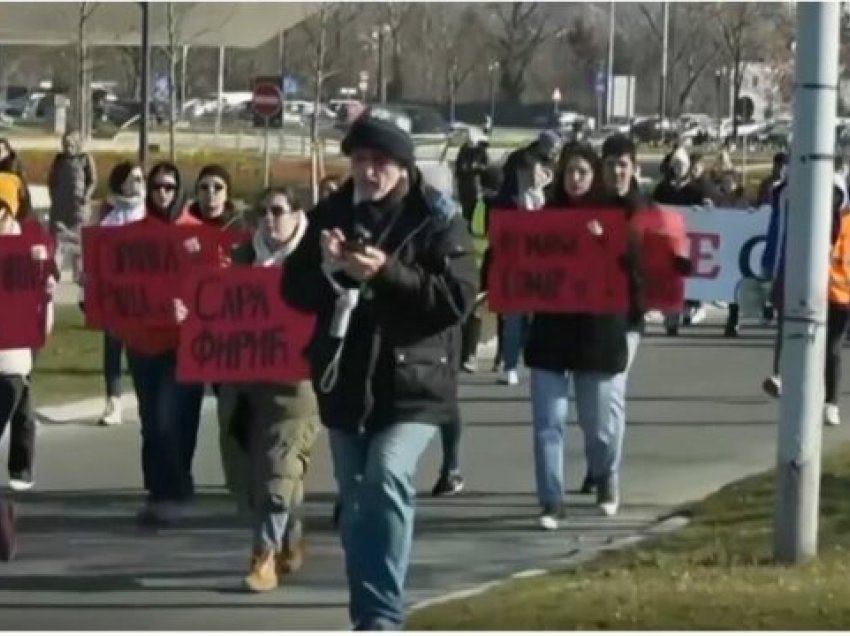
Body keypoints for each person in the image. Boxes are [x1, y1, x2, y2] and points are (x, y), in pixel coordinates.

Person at [281, 112, 477, 630]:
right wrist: (326, 270)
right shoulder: (330, 214)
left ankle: (383, 616)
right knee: (356, 501)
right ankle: (366, 612)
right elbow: (292, 291)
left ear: (404, 167)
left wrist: (386, 272)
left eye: (381, 163)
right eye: (361, 161)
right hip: (347, 381)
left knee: (388, 474)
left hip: (414, 381)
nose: (369, 173)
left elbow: (456, 298)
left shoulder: (435, 219)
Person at [188, 187, 321, 592]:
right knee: (247, 476)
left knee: (278, 473)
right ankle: (291, 531)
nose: (268, 219)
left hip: (296, 389)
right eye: (261, 211)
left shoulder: (315, 260)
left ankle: (262, 557)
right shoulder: (240, 259)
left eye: (277, 210)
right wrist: (190, 313)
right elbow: (215, 309)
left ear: (297, 214)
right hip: (245, 387)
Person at [525, 142, 638, 528]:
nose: (575, 180)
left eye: (583, 173)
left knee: (599, 426)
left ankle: (606, 477)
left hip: (597, 335)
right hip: (552, 334)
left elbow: (633, 269)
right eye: (569, 172)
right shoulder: (546, 214)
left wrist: (604, 241)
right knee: (548, 423)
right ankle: (551, 500)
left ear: (594, 177)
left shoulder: (613, 215)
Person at [109, 161, 206, 526]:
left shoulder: (196, 233)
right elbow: (116, 280)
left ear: (180, 190)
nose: (162, 193)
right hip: (143, 342)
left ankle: (170, 492)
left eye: (169, 187)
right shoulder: (136, 234)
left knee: (173, 420)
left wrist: (192, 307)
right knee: (152, 421)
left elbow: (216, 286)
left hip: (184, 344)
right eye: (156, 187)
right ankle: (161, 488)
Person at [0, 178, 57, 492]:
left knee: (14, 391)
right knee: (23, 403)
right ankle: (21, 467)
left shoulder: (28, 245)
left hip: (15, 349)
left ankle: (21, 465)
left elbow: (43, 289)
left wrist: (45, 289)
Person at [91, 162, 147, 427]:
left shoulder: (148, 213)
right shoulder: (109, 217)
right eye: (132, 178)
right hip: (114, 293)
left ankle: (145, 396)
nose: (137, 182)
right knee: (112, 348)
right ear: (120, 182)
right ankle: (113, 402)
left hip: (143, 295)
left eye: (140, 178)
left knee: (140, 350)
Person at [653, 147, 709, 336]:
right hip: (667, 241)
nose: (678, 168)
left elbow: (705, 211)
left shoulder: (695, 190)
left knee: (683, 278)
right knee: (669, 279)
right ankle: (671, 317)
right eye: (675, 165)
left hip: (688, 241)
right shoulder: (662, 188)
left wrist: (706, 208)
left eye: (682, 165)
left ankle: (686, 309)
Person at [47, 131, 97, 235]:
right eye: (65, 145)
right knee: (58, 235)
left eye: (71, 145)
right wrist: (54, 196)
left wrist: (86, 196)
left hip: (78, 205)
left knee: (80, 235)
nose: (68, 148)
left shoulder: (85, 158)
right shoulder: (59, 159)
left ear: (77, 144)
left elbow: (92, 180)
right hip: (60, 206)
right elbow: (51, 180)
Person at [454, 129, 490, 227]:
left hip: (474, 183)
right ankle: (468, 223)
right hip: (463, 183)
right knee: (465, 204)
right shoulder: (463, 149)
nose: (469, 141)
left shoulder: (481, 151)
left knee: (475, 204)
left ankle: (476, 223)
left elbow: (485, 166)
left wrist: (476, 167)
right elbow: (458, 166)